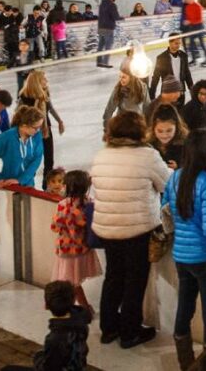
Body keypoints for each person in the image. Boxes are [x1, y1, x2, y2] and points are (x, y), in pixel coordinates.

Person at [90, 112, 170, 349]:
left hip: (107, 228)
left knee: (113, 276)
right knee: (135, 280)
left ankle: (108, 328)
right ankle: (129, 331)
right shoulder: (147, 156)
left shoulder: (101, 155)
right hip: (137, 229)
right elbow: (167, 184)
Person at [163, 130, 206, 362]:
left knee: (185, 307)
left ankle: (186, 362)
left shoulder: (175, 177)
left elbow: (166, 211)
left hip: (181, 255)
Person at [50, 169, 102, 318]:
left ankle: (82, 308)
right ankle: (81, 307)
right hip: (83, 249)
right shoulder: (89, 202)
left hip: (66, 250)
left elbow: (54, 226)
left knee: (70, 282)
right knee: (74, 282)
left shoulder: (63, 205)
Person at [9, 281, 91, 371]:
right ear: (73, 300)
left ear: (46, 306)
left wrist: (38, 357)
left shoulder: (55, 338)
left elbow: (49, 367)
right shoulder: (80, 319)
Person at [19, 69, 64, 178]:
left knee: (49, 159)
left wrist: (59, 121)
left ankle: (47, 185)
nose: (46, 81)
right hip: (31, 132)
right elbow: (24, 115)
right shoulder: (25, 96)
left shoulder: (45, 92)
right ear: (37, 81)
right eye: (44, 79)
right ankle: (28, 182)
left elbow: (50, 108)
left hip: (45, 129)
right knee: (31, 159)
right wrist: (36, 102)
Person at [0, 104, 44, 187]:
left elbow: (36, 160)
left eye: (40, 127)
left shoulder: (37, 136)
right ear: (24, 126)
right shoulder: (7, 137)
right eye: (36, 127)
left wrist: (21, 180)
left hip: (29, 184)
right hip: (8, 185)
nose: (38, 130)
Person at [102, 61, 149, 129]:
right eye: (120, 77)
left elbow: (147, 107)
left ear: (131, 77)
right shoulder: (118, 90)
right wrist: (106, 127)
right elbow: (109, 109)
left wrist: (147, 125)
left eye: (123, 77)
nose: (121, 80)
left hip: (137, 123)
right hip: (123, 124)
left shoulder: (142, 87)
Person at [149, 34, 193, 106]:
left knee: (180, 114)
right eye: (176, 43)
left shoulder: (183, 56)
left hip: (180, 92)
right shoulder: (161, 58)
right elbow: (156, 77)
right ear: (170, 42)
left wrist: (192, 90)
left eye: (179, 43)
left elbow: (187, 74)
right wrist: (152, 94)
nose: (178, 45)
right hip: (168, 93)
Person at [181, 79, 206, 153]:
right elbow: (183, 128)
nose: (203, 97)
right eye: (201, 93)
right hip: (193, 145)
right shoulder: (190, 107)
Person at [149, 104, 187, 170]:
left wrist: (179, 167)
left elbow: (192, 167)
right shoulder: (148, 145)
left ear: (177, 127)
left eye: (169, 130)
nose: (164, 135)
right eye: (160, 131)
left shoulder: (185, 143)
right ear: (153, 128)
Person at [96, 0, 122, 68]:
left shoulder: (102, 4)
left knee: (100, 46)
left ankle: (99, 61)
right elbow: (116, 17)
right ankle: (105, 62)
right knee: (108, 46)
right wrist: (121, 18)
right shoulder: (112, 5)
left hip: (101, 27)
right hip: (108, 28)